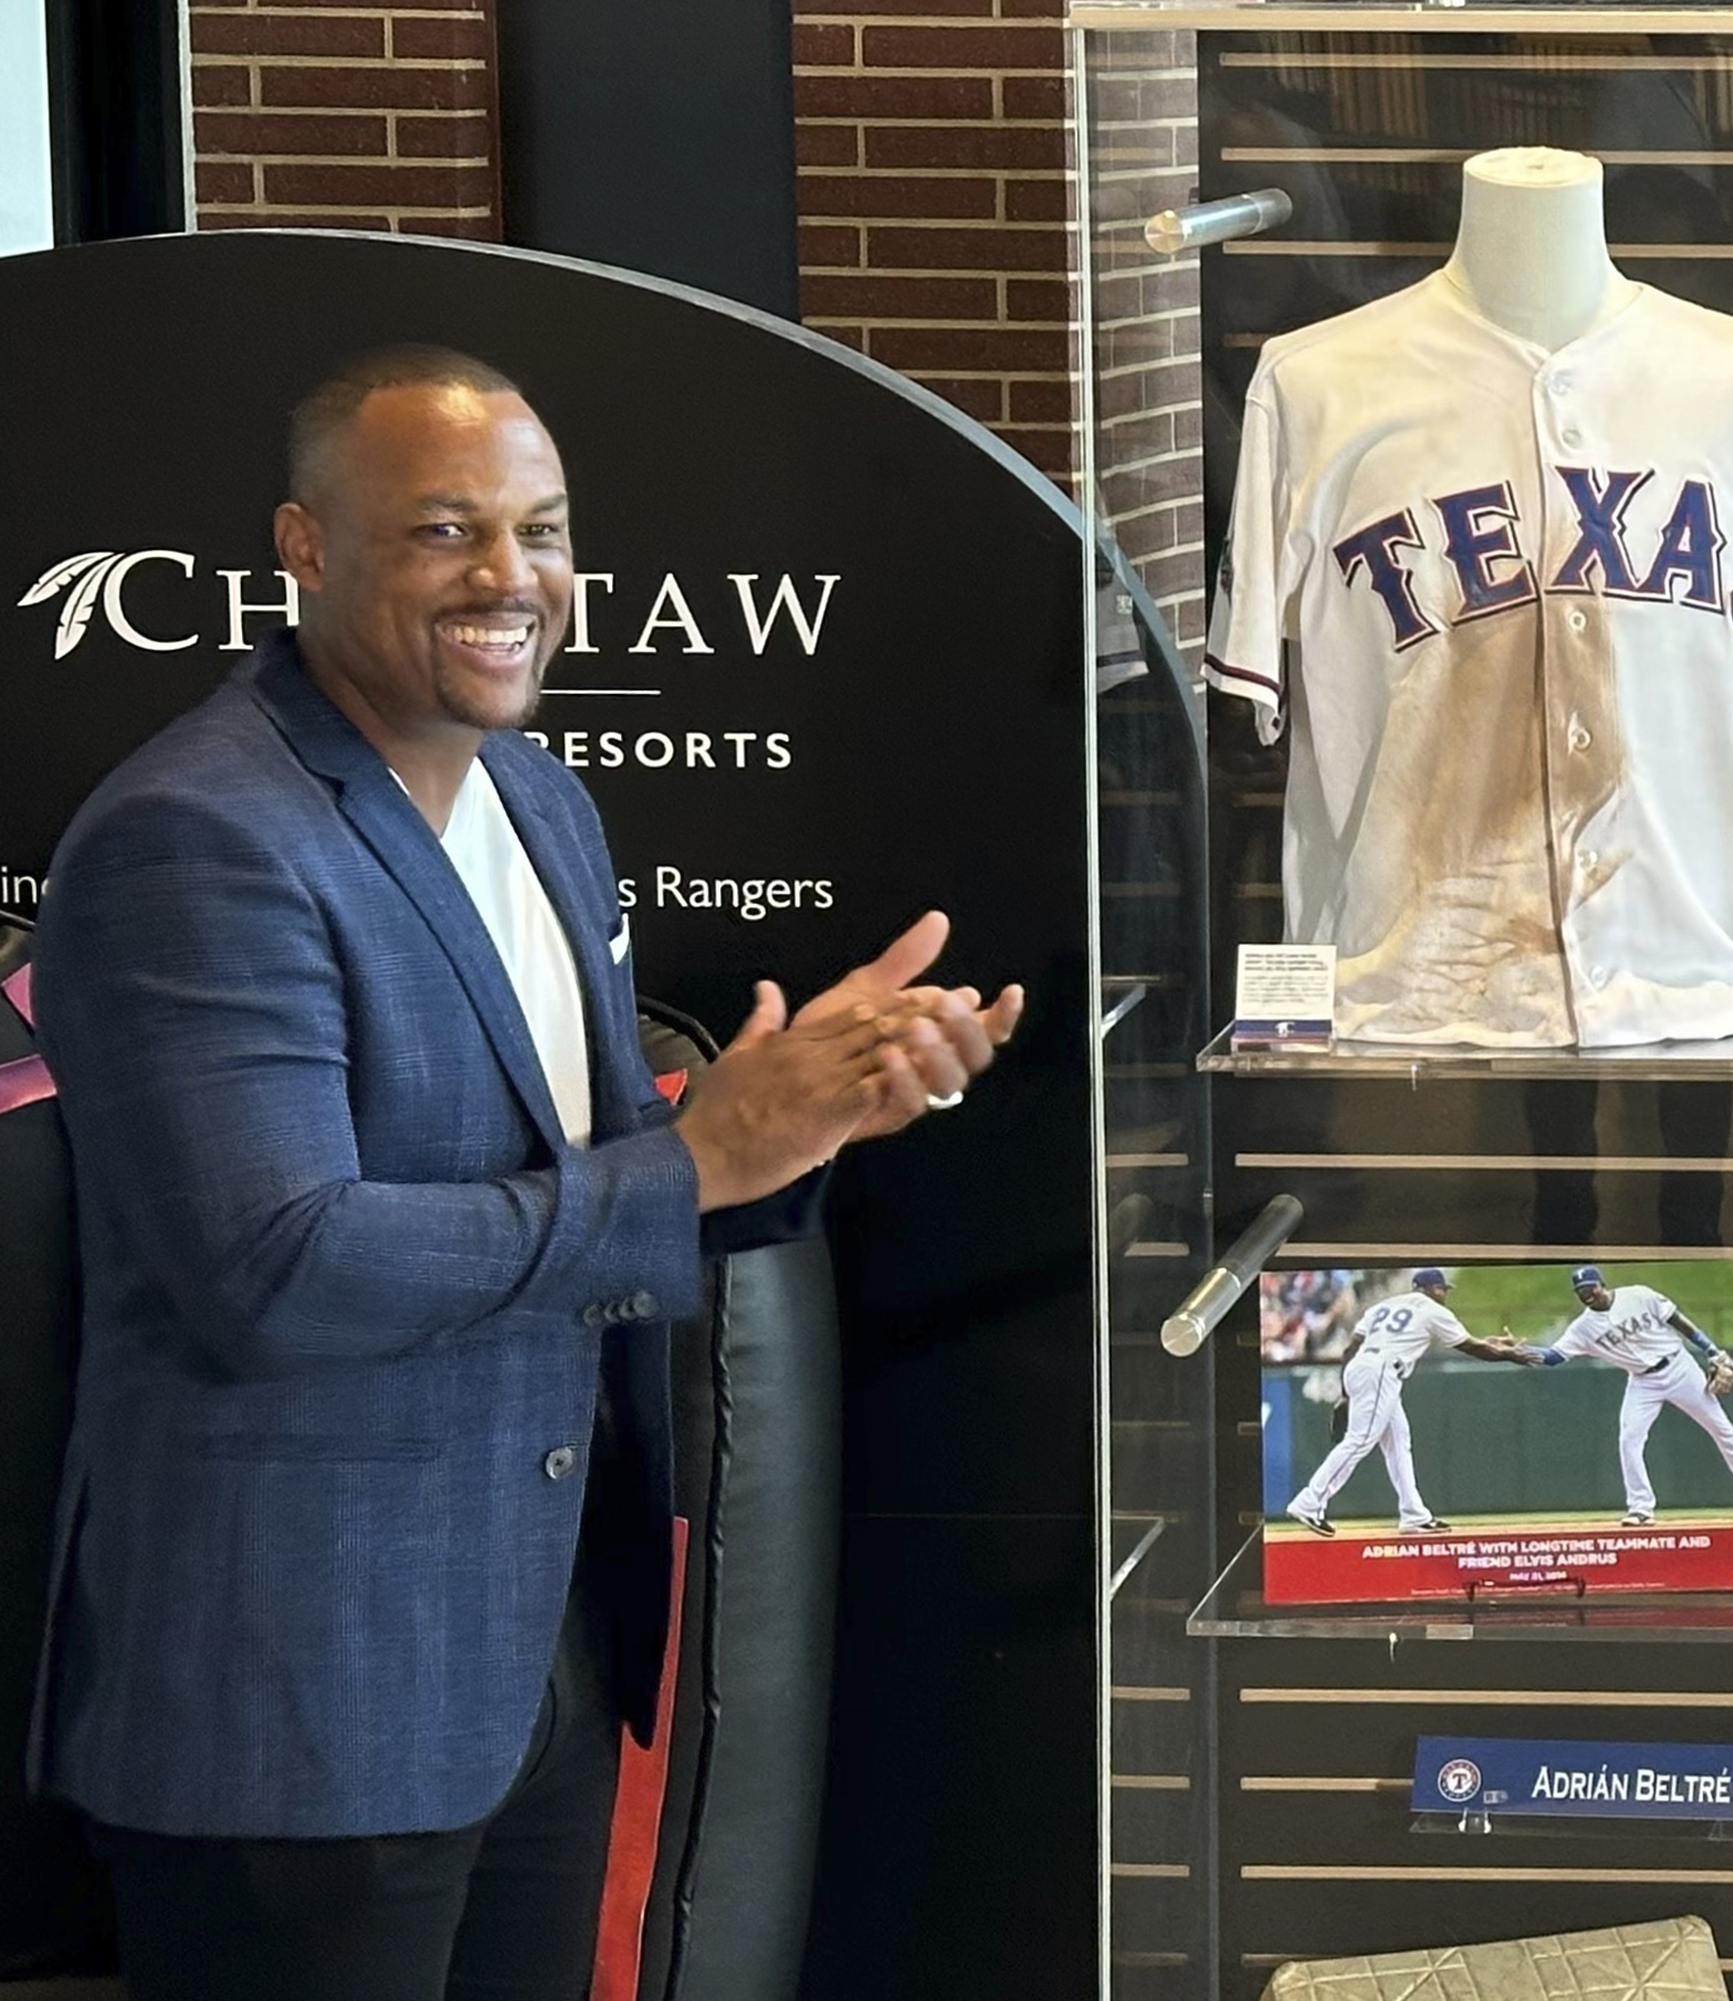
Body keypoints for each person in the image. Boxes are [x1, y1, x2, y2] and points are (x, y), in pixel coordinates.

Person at [28, 346, 1026, 2000]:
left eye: (541, 529)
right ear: (303, 547)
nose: (512, 578)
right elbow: (274, 1267)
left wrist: (785, 1136)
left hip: (535, 1658)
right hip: (303, 1700)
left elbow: (578, 1181)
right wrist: (687, 1166)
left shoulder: (543, 801)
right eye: (442, 531)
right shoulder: (196, 840)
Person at [1284, 1268, 1543, 1535]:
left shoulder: (1383, 1306)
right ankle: (1310, 1502)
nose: (1444, 1294)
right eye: (1442, 1288)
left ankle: (1414, 1514)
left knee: (1398, 1441)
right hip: (1383, 1371)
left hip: (1362, 1367)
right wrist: (1510, 1355)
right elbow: (1473, 1349)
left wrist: (1346, 1394)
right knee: (1359, 1440)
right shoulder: (1433, 1310)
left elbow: (1351, 1348)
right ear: (1429, 1288)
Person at [1522, 1267, 1733, 1526]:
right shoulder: (1583, 1328)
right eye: (1581, 1292)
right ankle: (1641, 1508)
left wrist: (1711, 1350)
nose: (1587, 1294)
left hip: (1679, 1367)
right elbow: (1553, 1357)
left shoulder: (1638, 1295)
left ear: (1602, 1284)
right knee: (1629, 1439)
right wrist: (1517, 1350)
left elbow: (1678, 1321)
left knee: (1720, 1427)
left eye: (1590, 1288)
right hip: (1642, 1381)